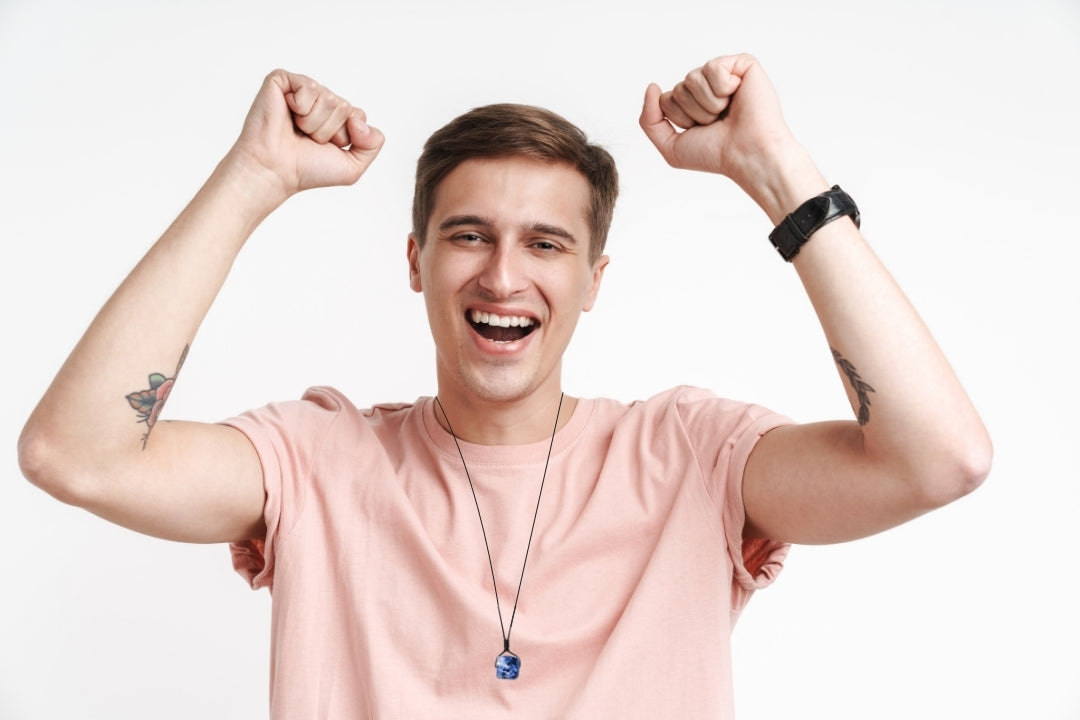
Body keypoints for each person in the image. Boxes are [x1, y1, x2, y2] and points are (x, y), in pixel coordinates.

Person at [18, 54, 991, 717]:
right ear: (416, 260)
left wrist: (779, 174)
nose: (501, 277)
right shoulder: (317, 461)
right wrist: (253, 177)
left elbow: (940, 459)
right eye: (469, 235)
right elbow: (74, 454)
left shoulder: (690, 457)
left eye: (547, 243)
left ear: (593, 281)